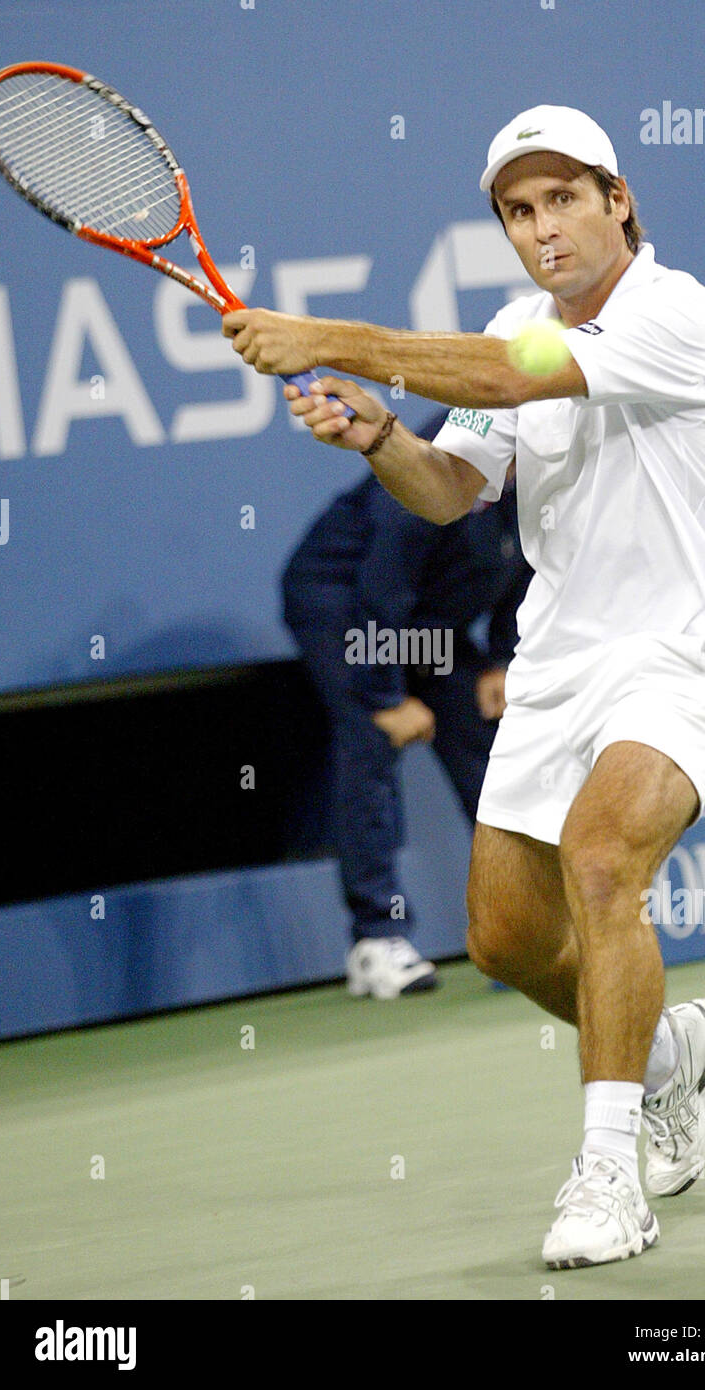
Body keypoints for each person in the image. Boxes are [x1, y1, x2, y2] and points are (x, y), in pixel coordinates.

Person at [223, 105, 705, 1269]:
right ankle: (670, 1052)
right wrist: (379, 436)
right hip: (559, 668)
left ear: (618, 199)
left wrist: (320, 335)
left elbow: (516, 378)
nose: (543, 227)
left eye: (564, 197)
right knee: (506, 939)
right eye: (519, 211)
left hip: (682, 657)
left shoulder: (676, 312)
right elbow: (452, 488)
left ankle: (611, 1175)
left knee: (605, 858)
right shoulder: (518, 324)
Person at [282, 412, 532, 999]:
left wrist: (501, 657)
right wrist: (385, 698)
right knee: (371, 739)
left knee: (490, 745)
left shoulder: (538, 468)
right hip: (344, 605)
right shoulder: (432, 463)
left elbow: (530, 561)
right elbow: (380, 588)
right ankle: (376, 940)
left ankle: (521, 926)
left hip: (426, 620)